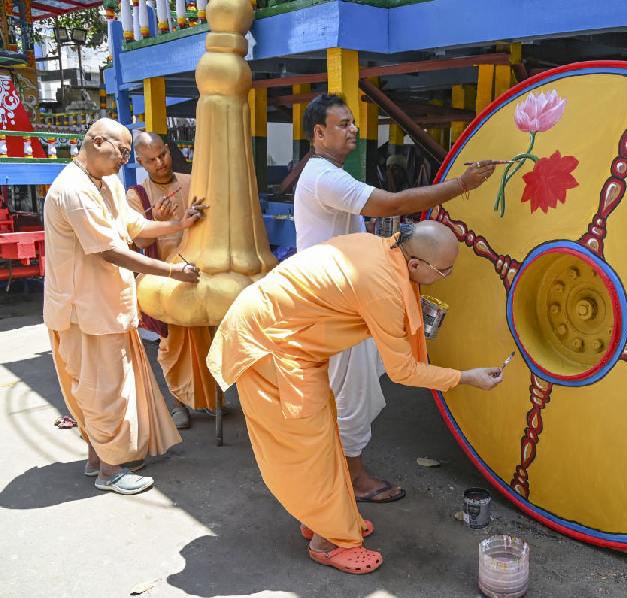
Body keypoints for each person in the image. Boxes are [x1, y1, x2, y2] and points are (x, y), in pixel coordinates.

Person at [206, 221, 503, 573]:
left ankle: (325, 518)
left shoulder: (382, 247)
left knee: (324, 435)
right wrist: (465, 377)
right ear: (415, 265)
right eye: (444, 270)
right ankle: (327, 541)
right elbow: (403, 371)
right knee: (307, 445)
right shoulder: (383, 288)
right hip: (271, 344)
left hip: (290, 337)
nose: (448, 276)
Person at [294, 93, 496, 503]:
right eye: (343, 123)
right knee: (352, 392)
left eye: (353, 122)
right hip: (335, 303)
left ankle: (334, 472)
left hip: (338, 298)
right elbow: (394, 203)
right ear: (319, 133)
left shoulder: (326, 173)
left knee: (349, 388)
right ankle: (350, 479)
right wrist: (461, 185)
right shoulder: (324, 177)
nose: (354, 129)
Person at [43, 118, 205, 495]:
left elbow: (133, 226)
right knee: (103, 391)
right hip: (84, 311)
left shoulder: (107, 183)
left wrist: (179, 223)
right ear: (96, 141)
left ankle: (98, 457)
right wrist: (172, 271)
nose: (126, 159)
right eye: (122, 151)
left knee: (104, 388)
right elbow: (111, 250)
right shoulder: (73, 190)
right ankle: (110, 471)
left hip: (106, 307)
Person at [127, 131, 217, 429]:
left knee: (205, 339)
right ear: (140, 162)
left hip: (195, 274)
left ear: (168, 150)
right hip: (161, 282)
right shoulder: (136, 196)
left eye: (162, 155)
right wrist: (156, 219)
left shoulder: (190, 181)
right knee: (171, 346)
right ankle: (179, 404)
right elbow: (138, 242)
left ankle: (206, 399)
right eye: (151, 160)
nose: (160, 163)